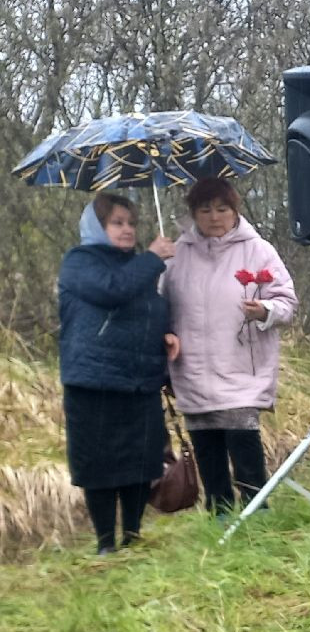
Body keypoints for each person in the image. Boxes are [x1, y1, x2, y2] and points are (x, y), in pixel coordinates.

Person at [164, 178, 297, 513]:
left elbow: (287, 303)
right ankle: (219, 512)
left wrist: (264, 310)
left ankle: (256, 510)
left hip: (241, 363)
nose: (214, 217)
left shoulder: (258, 250)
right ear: (193, 213)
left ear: (235, 210)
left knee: (242, 438)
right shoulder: (176, 255)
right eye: (205, 209)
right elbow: (158, 306)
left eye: (222, 209)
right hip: (192, 365)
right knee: (206, 443)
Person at [58, 195, 176, 551]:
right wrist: (153, 258)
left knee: (140, 462)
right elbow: (113, 292)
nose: (127, 229)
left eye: (130, 222)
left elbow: (145, 311)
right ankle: (106, 541)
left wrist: (166, 332)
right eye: (117, 222)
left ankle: (133, 535)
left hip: (139, 380)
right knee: (99, 466)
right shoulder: (80, 262)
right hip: (94, 382)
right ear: (98, 227)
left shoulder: (139, 264)